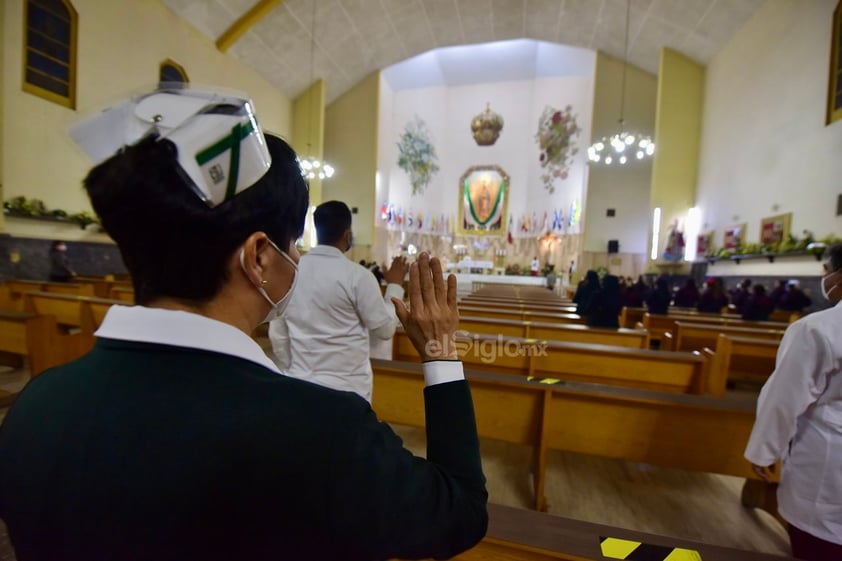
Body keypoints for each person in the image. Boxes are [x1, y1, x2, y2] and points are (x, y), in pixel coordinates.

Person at [0, 86, 487, 560]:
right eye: (291, 245)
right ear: (258, 257)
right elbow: (459, 513)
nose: (295, 258)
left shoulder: (36, 404)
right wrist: (441, 351)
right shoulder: (323, 433)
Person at [744, 243, 842, 560]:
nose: (824, 278)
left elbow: (784, 398)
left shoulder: (818, 329)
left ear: (839, 277)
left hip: (828, 466)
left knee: (820, 546)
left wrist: (764, 449)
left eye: (826, 271)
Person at [269, 201, 408, 402]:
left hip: (300, 383)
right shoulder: (358, 276)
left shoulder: (291, 272)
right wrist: (395, 286)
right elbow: (384, 329)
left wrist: (295, 369)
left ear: (317, 231)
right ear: (348, 234)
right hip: (349, 390)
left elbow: (278, 334)